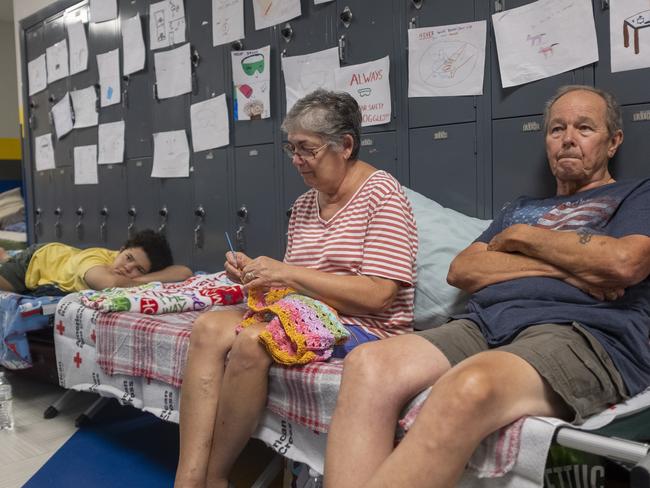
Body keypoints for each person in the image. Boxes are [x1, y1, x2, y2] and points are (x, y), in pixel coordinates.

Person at [324, 85, 650, 488]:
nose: (568, 138)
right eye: (556, 129)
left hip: (578, 332)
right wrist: (568, 270)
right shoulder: (520, 208)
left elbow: (623, 261)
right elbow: (463, 269)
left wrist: (523, 238)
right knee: (368, 364)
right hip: (482, 324)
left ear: (613, 140)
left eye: (584, 128)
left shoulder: (637, 195)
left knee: (469, 387)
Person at [174, 89, 418, 488]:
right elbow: (295, 288)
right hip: (308, 314)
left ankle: (217, 477)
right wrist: (256, 275)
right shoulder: (306, 204)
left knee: (255, 341)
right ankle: (189, 478)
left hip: (368, 327)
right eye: (291, 148)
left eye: (306, 149)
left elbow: (378, 294)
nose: (296, 160)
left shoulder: (383, 195)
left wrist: (287, 275)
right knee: (209, 327)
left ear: (346, 146)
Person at [0, 229, 192, 294]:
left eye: (138, 269)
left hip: (65, 255)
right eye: (128, 258)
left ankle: (6, 257)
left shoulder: (122, 266)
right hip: (37, 260)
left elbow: (184, 272)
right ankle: (7, 258)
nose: (127, 267)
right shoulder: (93, 259)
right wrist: (145, 278)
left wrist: (140, 279)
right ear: (121, 250)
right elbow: (107, 283)